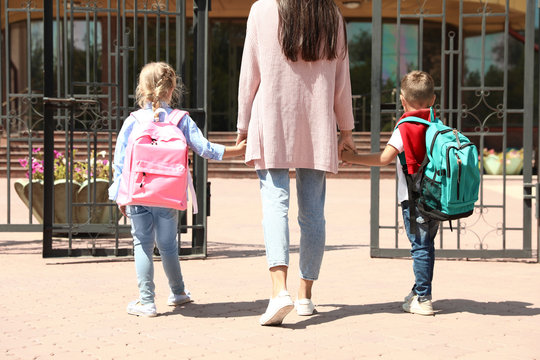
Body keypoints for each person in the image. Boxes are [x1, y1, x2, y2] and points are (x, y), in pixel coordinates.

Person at [236, 0, 355, 326]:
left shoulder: (262, 9)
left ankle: (279, 292)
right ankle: (304, 295)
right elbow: (342, 79)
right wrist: (345, 128)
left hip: (272, 117)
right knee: (313, 211)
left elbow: (250, 71)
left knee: (275, 203)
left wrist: (243, 124)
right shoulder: (332, 13)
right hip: (316, 120)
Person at [109, 62, 246, 317]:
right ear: (172, 89)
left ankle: (147, 301)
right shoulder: (180, 119)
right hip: (169, 194)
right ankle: (178, 292)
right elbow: (203, 148)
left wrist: (119, 193)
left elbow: (119, 161)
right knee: (169, 246)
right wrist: (235, 151)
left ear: (142, 89)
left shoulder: (133, 121)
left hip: (138, 193)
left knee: (143, 244)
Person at [342, 70, 438, 316]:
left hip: (415, 199)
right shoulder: (436, 126)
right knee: (425, 244)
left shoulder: (405, 128)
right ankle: (418, 291)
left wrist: (354, 158)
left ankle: (424, 298)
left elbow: (384, 158)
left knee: (419, 246)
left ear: (403, 101)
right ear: (433, 100)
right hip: (436, 197)